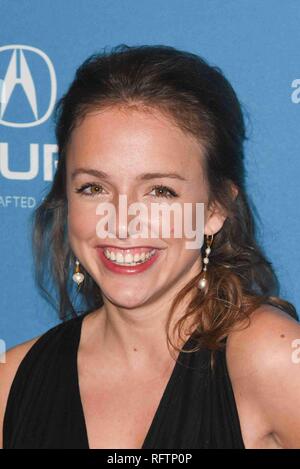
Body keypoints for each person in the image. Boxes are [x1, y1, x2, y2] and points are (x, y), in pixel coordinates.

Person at [0, 44, 299, 449]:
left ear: (216, 208)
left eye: (160, 191)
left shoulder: (275, 361)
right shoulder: (13, 381)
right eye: (93, 188)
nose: (122, 222)